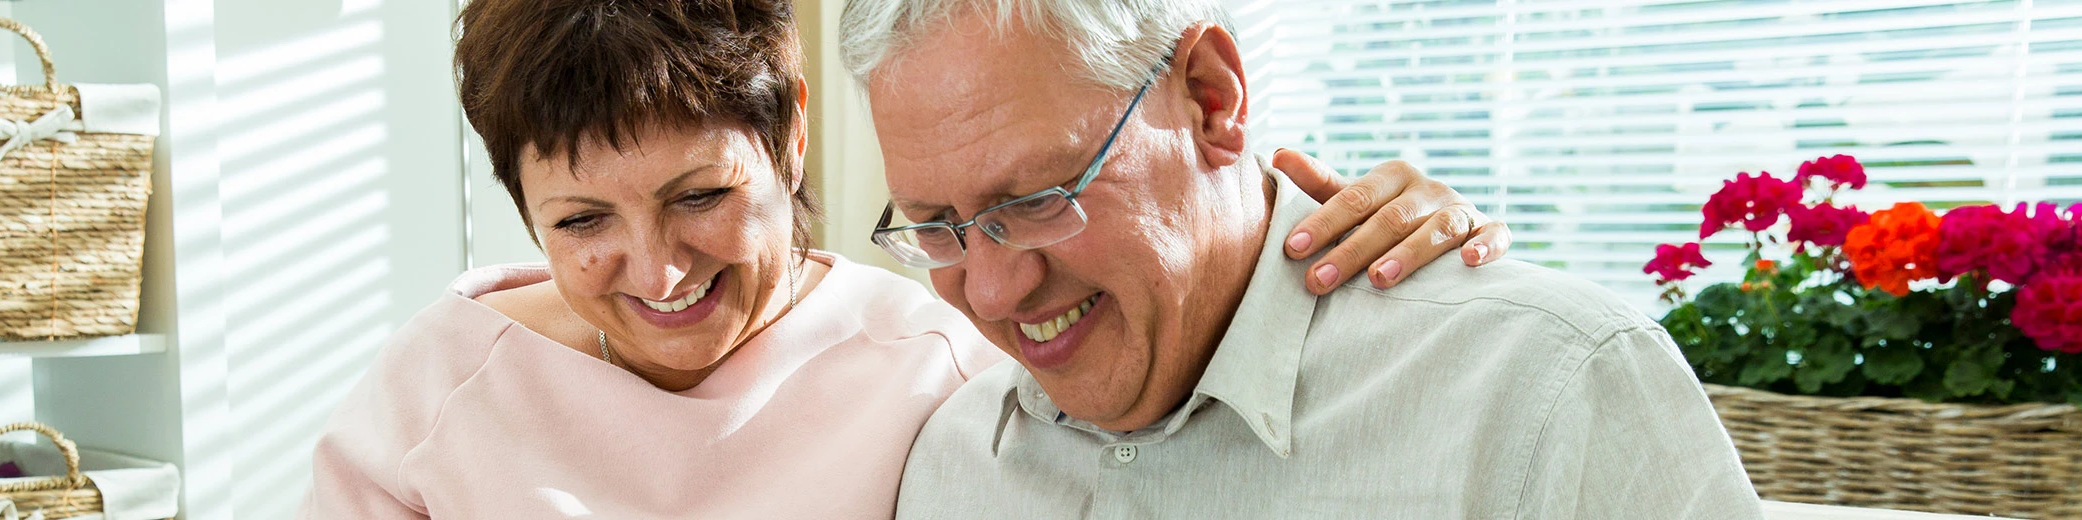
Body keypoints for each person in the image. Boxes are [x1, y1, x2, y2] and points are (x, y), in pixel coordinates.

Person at [297, 0, 1508, 517]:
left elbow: (1177, 319)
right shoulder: (438, 385)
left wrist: (1392, 224)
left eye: (700, 197)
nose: (655, 269)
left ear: (790, 139)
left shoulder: (944, 353)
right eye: (579, 224)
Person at [841, 1, 1766, 518]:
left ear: (1211, 98)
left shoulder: (1549, 391)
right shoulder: (950, 463)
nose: (995, 289)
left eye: (1039, 200)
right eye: (937, 225)